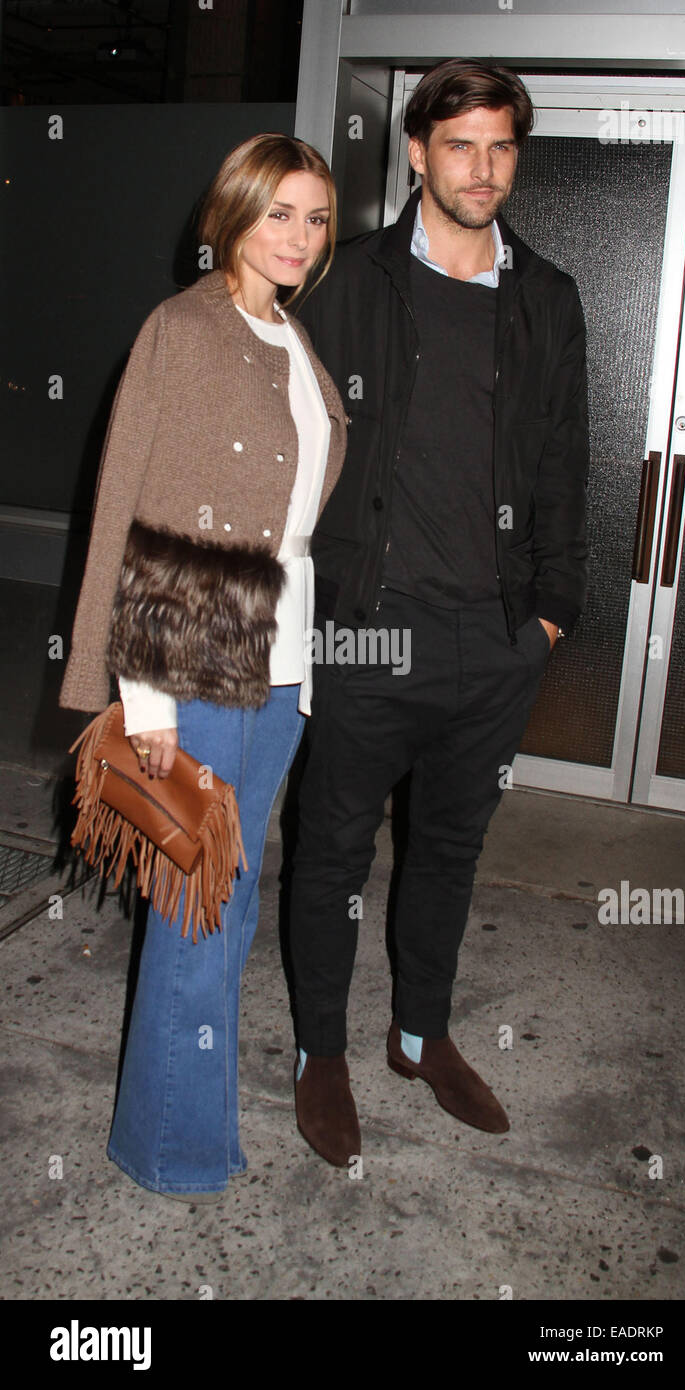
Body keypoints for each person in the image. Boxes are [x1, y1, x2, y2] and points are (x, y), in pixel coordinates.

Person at [289, 60, 589, 1166]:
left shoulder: (545, 297)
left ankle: (419, 1034)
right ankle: (322, 1050)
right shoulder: (349, 278)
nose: (481, 167)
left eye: (500, 145)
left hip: (493, 634)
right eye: (457, 144)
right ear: (415, 152)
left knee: (447, 853)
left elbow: (564, 460)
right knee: (329, 854)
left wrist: (548, 611)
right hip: (368, 622)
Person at [59, 133, 347, 1200]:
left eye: (316, 219)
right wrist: (146, 700)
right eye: (279, 213)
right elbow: (128, 509)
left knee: (226, 911)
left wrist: (304, 668)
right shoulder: (182, 329)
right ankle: (171, 1147)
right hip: (194, 658)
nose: (300, 238)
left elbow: (294, 526)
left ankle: (188, 1121)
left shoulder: (288, 335)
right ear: (230, 212)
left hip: (277, 666)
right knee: (197, 916)